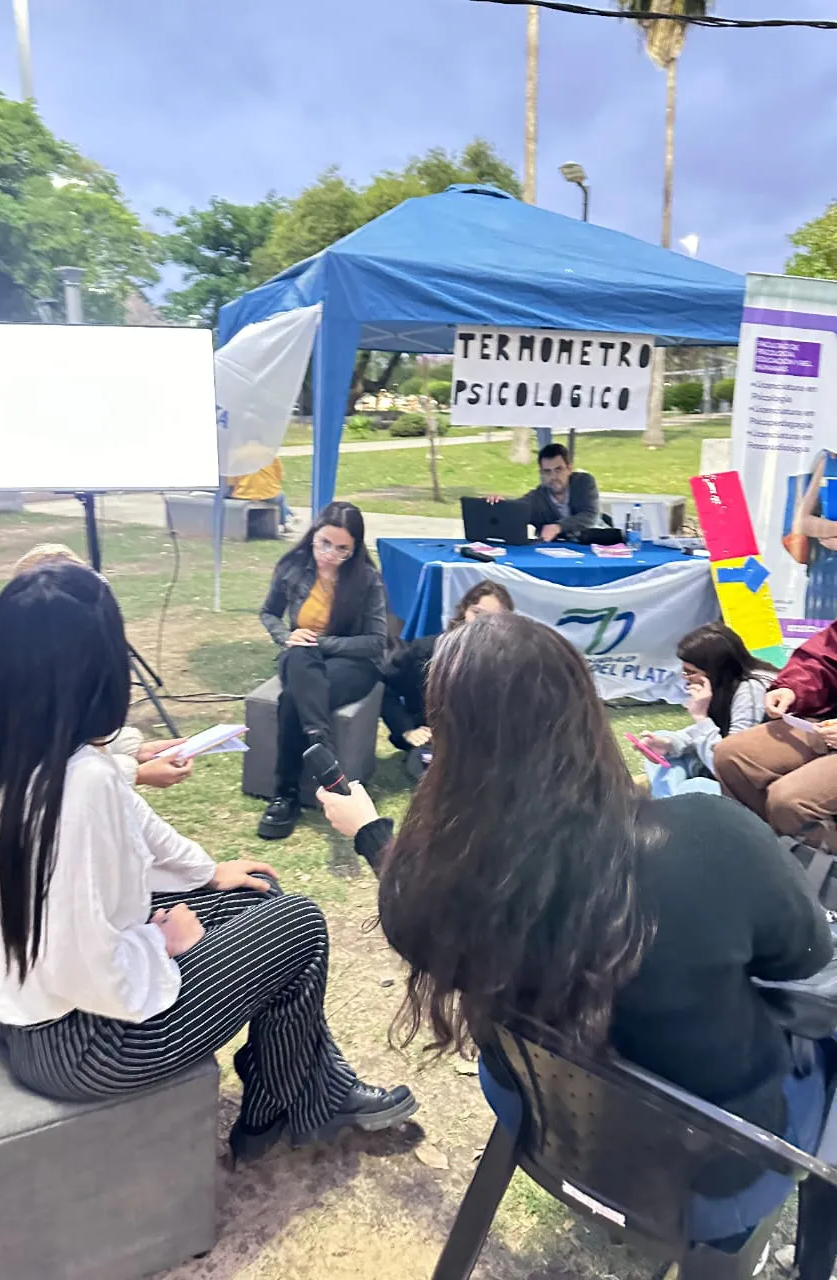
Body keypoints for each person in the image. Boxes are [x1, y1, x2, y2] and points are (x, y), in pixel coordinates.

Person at [318, 612, 834, 1244]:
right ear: (585, 711)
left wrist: (373, 832)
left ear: (448, 742)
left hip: (539, 1112)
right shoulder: (714, 836)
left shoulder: (449, 878)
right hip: (713, 1171)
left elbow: (406, 901)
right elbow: (807, 970)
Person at [0, 560, 416, 1159]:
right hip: (88, 1044)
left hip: (47, 1011)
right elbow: (84, 962)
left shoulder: (21, 752)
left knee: (257, 892)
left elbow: (135, 837)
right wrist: (164, 943)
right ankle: (282, 1105)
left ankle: (298, 1096)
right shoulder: (81, 784)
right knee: (302, 925)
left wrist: (209, 874)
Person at [0, 544, 190, 860]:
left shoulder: (19, 654)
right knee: (89, 794)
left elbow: (64, 740)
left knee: (92, 785)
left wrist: (132, 749)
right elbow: (52, 773)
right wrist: (135, 773)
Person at [257, 501, 387, 840]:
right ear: (313, 535)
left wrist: (321, 643)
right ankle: (321, 743)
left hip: (352, 665)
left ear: (355, 548)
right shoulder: (292, 566)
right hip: (300, 659)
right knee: (299, 658)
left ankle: (284, 797)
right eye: (324, 543)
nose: (330, 554)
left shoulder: (368, 580)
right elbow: (269, 613)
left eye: (342, 549)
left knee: (291, 701)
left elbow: (375, 642)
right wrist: (287, 636)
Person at [714, 619, 837, 850]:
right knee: (730, 755)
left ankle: (818, 875)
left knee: (788, 800)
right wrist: (791, 688)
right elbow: (823, 659)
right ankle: (765, 856)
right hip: (826, 725)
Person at [380, 581, 514, 775]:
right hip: (433, 740)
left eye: (491, 618)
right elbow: (384, 686)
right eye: (476, 613)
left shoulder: (511, 660)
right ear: (464, 611)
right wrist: (406, 729)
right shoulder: (426, 651)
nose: (480, 623)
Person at [636, 622, 774, 798]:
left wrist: (700, 717)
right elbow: (705, 735)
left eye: (690, 672)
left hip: (752, 789)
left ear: (715, 671)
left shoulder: (751, 690)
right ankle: (670, 806)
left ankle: (669, 809)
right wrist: (669, 744)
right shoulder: (724, 685)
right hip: (718, 766)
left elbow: (728, 770)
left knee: (695, 786)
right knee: (663, 741)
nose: (685, 678)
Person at [488, 443, 600, 543]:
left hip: (594, 544)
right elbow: (518, 510)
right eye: (547, 472)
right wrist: (501, 505)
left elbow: (590, 515)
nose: (553, 477)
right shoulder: (537, 497)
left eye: (558, 470)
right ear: (541, 473)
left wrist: (558, 527)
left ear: (569, 469)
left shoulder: (583, 482)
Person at [793, 449, 837, 623]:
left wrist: (825, 530)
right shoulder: (828, 462)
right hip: (825, 579)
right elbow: (801, 523)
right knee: (819, 644)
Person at [228, 459, 293, 533]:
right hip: (268, 495)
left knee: (229, 493)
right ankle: (285, 522)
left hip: (243, 495)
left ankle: (289, 514)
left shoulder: (237, 459)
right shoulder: (272, 457)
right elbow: (279, 477)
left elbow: (230, 483)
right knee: (280, 496)